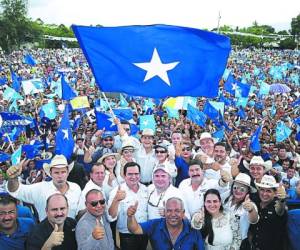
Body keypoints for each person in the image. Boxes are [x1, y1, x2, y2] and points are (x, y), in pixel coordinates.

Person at [6, 155, 81, 221]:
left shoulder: (76, 188)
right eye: (56, 172)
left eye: (63, 172)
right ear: (50, 173)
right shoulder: (40, 188)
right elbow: (16, 190)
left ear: (68, 172)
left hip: (71, 234)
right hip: (48, 234)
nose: (60, 176)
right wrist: (13, 178)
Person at [127, 197, 205, 250]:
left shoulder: (193, 230)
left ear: (183, 213)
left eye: (177, 211)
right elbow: (135, 229)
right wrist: (130, 217)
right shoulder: (155, 224)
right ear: (164, 212)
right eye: (169, 211)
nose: (173, 214)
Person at [108, 162, 148, 250]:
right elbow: (111, 216)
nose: (133, 177)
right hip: (127, 236)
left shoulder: (145, 189)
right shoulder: (116, 191)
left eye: (136, 174)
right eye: (130, 174)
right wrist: (116, 200)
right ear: (124, 175)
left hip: (144, 233)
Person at [249, 175, 288, 250]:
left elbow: (280, 210)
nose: (264, 194)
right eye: (262, 190)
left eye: (268, 191)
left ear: (275, 193)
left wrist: (282, 200)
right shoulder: (255, 205)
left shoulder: (277, 205)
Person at [223, 173, 259, 250]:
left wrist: (251, 210)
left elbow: (254, 220)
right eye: (235, 187)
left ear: (247, 191)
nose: (238, 191)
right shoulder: (226, 198)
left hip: (239, 244)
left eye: (242, 189)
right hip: (223, 240)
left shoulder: (250, 204)